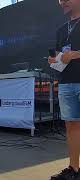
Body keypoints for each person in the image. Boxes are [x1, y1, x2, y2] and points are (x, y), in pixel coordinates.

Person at [48, 0, 80, 179]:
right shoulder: (61, 29)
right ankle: (74, 169)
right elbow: (59, 56)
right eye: (60, 0)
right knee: (71, 126)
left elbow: (71, 54)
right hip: (66, 82)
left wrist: (75, 54)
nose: (62, 2)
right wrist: (54, 60)